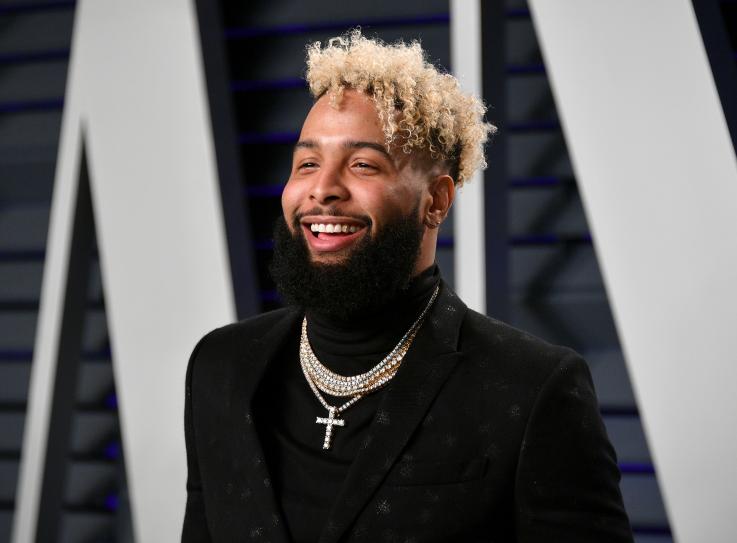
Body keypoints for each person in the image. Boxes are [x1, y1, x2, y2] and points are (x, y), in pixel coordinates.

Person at [182, 31, 633, 543]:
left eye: (363, 164)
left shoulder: (531, 390)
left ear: (436, 201)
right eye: (307, 163)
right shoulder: (220, 367)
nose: (323, 187)